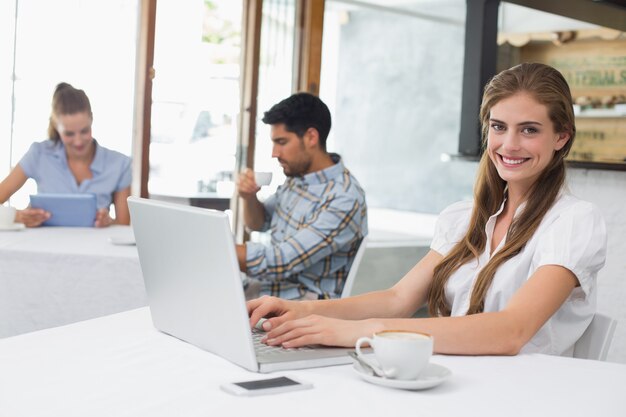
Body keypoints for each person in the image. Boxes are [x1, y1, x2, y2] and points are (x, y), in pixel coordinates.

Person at [247, 63, 607, 356]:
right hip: (450, 378)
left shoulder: (573, 221)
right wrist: (302, 310)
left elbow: (511, 331)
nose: (509, 145)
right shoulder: (464, 218)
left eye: (529, 130)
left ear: (561, 137)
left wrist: (366, 331)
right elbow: (398, 299)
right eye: (499, 127)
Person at [235, 92, 368, 300]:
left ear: (311, 137)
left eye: (282, 142)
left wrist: (220, 250)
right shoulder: (297, 179)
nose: (274, 153)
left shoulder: (344, 198)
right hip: (269, 291)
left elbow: (280, 262)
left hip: (302, 306)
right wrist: (248, 197)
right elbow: (258, 224)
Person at [0, 82, 131, 227]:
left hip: (95, 248)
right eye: (69, 134)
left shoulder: (120, 164)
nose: (78, 141)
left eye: (84, 131)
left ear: (91, 120)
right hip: (42, 247)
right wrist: (18, 216)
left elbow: (123, 226)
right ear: (56, 126)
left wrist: (108, 222)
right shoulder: (39, 154)